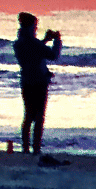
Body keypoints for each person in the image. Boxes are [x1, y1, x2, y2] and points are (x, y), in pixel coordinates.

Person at [13, 13, 62, 155]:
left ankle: (26, 147)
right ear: (30, 26)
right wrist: (57, 40)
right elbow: (53, 55)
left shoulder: (19, 43)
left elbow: (35, 51)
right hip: (39, 82)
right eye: (35, 26)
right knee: (39, 117)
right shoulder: (32, 43)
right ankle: (36, 148)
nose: (36, 28)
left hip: (26, 81)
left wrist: (45, 40)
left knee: (28, 115)